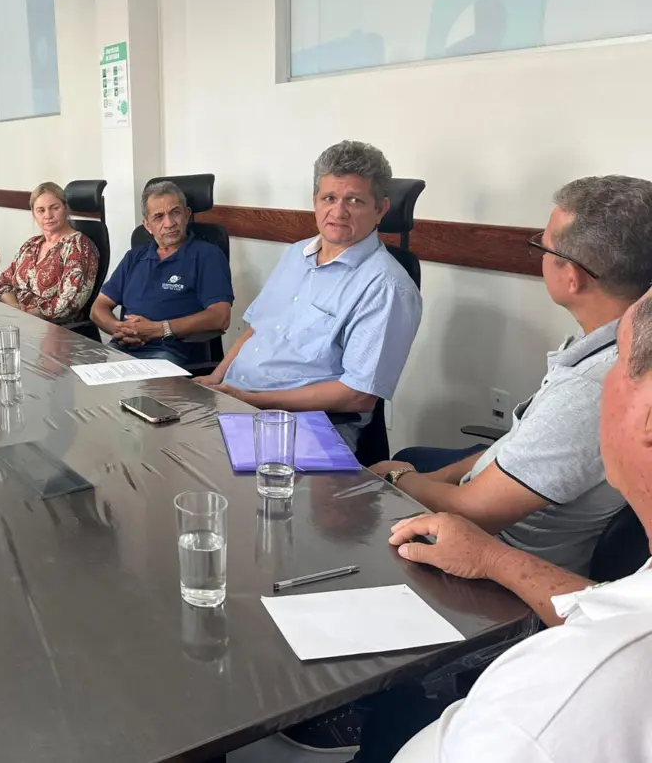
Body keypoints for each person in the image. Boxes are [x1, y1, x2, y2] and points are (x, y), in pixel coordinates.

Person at [381, 288, 652, 763]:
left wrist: (401, 477)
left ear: (646, 416)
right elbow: (614, 608)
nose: (601, 377)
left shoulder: (555, 705)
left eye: (614, 367)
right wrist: (492, 557)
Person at [370, 175, 652, 575]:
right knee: (411, 460)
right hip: (491, 504)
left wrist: (396, 477)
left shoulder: (594, 387)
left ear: (573, 276)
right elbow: (523, 440)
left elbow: (475, 514)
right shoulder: (614, 339)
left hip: (498, 566)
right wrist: (431, 477)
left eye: (543, 246)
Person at [197, 140, 421, 448]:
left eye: (354, 200)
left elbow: (357, 395)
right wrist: (216, 378)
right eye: (329, 198)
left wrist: (250, 400)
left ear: (380, 209)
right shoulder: (295, 255)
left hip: (305, 427)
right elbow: (255, 331)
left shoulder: (386, 286)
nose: (338, 212)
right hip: (235, 403)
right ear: (315, 201)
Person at [90, 180, 234, 367]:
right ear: (147, 225)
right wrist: (120, 329)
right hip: (123, 347)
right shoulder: (134, 257)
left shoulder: (207, 255)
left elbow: (220, 317)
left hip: (172, 352)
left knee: (137, 384)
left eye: (175, 212)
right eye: (158, 217)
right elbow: (98, 307)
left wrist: (159, 329)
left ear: (187, 215)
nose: (169, 223)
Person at [0, 181, 99, 323]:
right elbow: (2, 283)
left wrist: (28, 314)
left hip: (52, 328)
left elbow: (68, 303)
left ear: (65, 208)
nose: (48, 215)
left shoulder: (79, 247)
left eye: (54, 208)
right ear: (33, 213)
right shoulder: (31, 244)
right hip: (17, 319)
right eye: (41, 210)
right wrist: (15, 307)